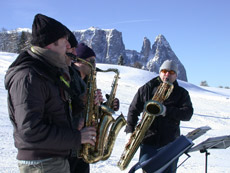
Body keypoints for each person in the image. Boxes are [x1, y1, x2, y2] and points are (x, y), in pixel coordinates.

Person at [4, 13, 96, 173]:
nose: (69, 46)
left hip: (53, 160)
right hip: (43, 163)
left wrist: (81, 108)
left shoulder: (46, 70)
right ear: (50, 45)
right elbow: (30, 132)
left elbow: (52, 114)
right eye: (64, 41)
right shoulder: (29, 75)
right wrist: (77, 137)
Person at [125, 60, 193, 173]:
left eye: (171, 72)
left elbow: (187, 114)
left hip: (170, 144)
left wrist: (165, 110)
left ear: (176, 75)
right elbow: (133, 110)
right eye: (164, 71)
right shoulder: (147, 88)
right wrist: (129, 131)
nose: (167, 74)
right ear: (160, 72)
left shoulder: (182, 93)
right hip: (148, 141)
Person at [68, 43, 120, 173]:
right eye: (91, 61)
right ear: (78, 61)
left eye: (95, 61)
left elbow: (91, 110)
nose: (94, 65)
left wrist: (105, 105)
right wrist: (82, 101)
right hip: (70, 145)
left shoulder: (88, 81)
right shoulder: (68, 78)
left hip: (83, 146)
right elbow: (62, 109)